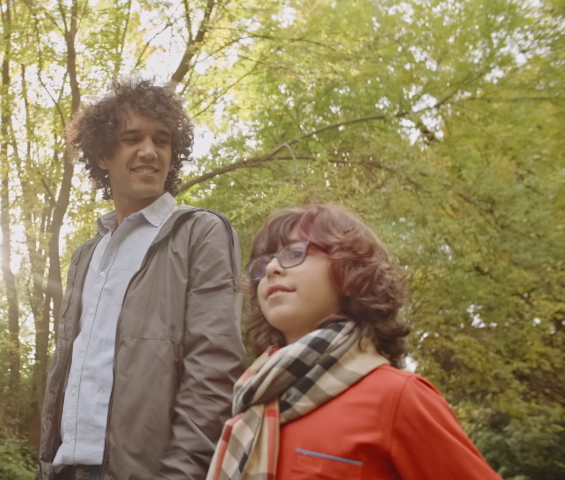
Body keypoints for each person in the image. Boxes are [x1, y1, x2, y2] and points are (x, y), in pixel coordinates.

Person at [36, 79, 246, 480]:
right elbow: (67, 372)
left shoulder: (200, 233)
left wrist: (183, 474)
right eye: (131, 138)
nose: (149, 152)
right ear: (102, 155)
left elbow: (214, 373)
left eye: (162, 141)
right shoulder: (85, 255)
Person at [206, 204, 503, 480]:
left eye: (294, 253)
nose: (271, 269)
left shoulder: (397, 397)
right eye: (263, 263)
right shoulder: (253, 398)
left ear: (349, 271)